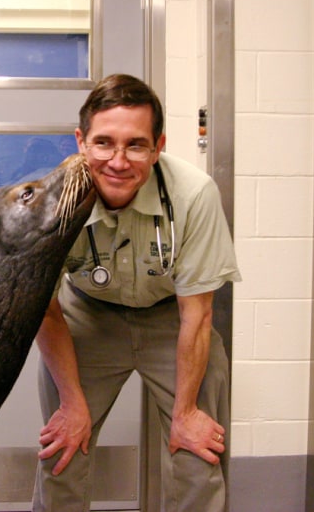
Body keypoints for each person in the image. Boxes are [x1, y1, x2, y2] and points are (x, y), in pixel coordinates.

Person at [32, 74, 240, 512]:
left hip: (174, 320)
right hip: (84, 317)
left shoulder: (193, 195)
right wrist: (72, 405)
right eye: (104, 142)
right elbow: (44, 312)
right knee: (64, 452)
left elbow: (198, 315)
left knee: (197, 454)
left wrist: (185, 414)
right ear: (81, 141)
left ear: (158, 145)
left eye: (136, 145)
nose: (119, 161)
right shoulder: (50, 205)